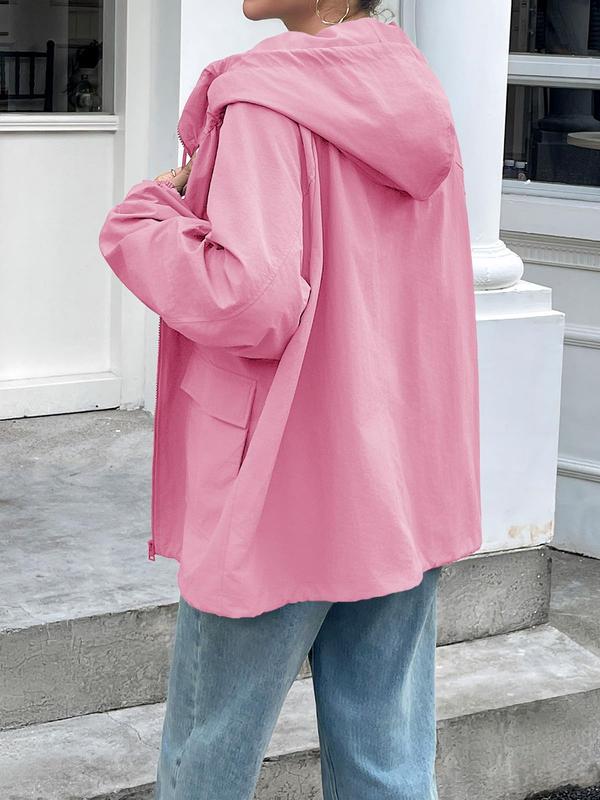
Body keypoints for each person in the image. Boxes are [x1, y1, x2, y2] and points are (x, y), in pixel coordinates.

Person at [98, 1, 482, 797]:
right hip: (397, 485)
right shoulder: (413, 92)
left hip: (278, 486)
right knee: (386, 763)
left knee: (207, 763)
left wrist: (143, 221)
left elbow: (252, 301)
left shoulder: (265, 100)